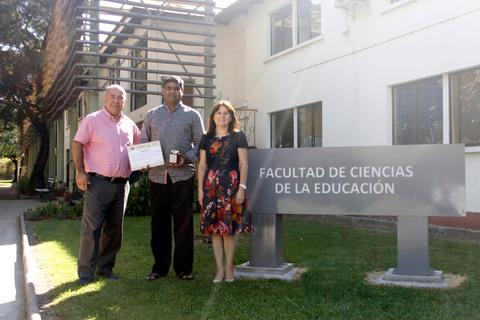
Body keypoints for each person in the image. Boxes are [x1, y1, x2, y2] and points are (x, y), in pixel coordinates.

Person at [73, 84, 140, 285]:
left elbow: (139, 150)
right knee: (91, 230)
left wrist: (143, 163)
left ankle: (106, 270)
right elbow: (77, 143)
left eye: (120, 98)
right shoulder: (92, 120)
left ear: (125, 102)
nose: (116, 101)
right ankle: (85, 274)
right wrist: (80, 171)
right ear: (105, 99)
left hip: (122, 186)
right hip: (97, 183)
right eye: (112, 97)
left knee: (114, 230)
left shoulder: (130, 125)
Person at [140, 75, 204, 281]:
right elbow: (143, 142)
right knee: (159, 223)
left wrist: (187, 158)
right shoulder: (151, 115)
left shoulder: (192, 115)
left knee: (184, 224)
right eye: (168, 88)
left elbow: (201, 144)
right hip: (157, 177)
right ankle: (159, 267)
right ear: (162, 91)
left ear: (182, 91)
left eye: (176, 88)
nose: (172, 91)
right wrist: (144, 160)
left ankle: (184, 268)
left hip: (183, 176)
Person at [197, 100, 253, 283]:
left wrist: (242, 188)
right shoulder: (206, 138)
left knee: (229, 230)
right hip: (210, 188)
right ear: (213, 117)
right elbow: (203, 165)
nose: (222, 116)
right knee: (215, 230)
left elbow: (244, 164)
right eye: (219, 113)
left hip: (232, 186)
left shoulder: (238, 136)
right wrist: (200, 191)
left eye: (226, 113)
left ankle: (230, 268)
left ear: (231, 117)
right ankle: (219, 270)